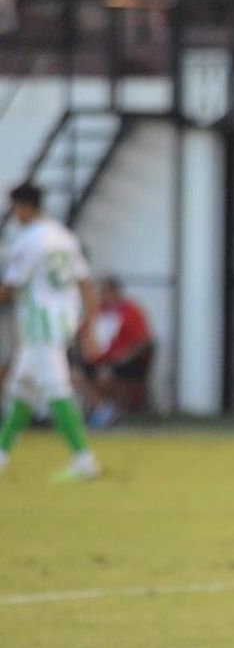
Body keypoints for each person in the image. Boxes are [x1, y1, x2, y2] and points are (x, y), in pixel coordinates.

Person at [0, 183, 101, 480]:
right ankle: (2, 455)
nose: (14, 214)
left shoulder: (28, 242)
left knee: (57, 389)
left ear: (26, 207)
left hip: (41, 324)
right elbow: (84, 283)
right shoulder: (65, 238)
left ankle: (84, 459)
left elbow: (10, 288)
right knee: (22, 389)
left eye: (16, 207)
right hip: (61, 321)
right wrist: (89, 324)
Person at [77, 275, 153, 428]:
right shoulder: (97, 311)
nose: (101, 295)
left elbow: (143, 341)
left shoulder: (131, 311)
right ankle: (102, 409)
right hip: (98, 359)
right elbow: (81, 333)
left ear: (114, 291)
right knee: (75, 374)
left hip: (125, 361)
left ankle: (109, 412)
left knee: (105, 375)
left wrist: (125, 357)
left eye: (104, 291)